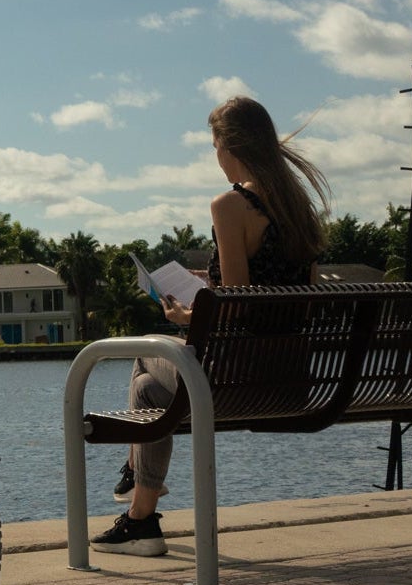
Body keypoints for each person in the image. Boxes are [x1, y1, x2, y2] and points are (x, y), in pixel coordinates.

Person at [95, 95, 330, 556]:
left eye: (215, 147)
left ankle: (132, 474)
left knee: (149, 351)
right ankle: (140, 520)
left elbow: (237, 305)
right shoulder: (297, 207)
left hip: (234, 380)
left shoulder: (230, 204)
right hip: (291, 378)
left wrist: (187, 315)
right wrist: (211, 282)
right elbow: (285, 290)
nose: (216, 158)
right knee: (147, 391)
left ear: (229, 146)